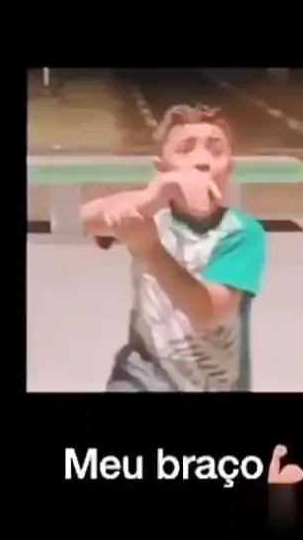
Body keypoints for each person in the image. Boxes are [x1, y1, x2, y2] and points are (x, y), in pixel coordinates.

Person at [81, 103, 267, 392]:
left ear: (229, 168)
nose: (202, 161)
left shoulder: (241, 232)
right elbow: (90, 219)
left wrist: (151, 249)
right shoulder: (151, 215)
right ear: (162, 168)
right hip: (141, 374)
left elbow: (208, 313)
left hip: (213, 383)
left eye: (216, 151)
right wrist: (152, 196)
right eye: (185, 149)